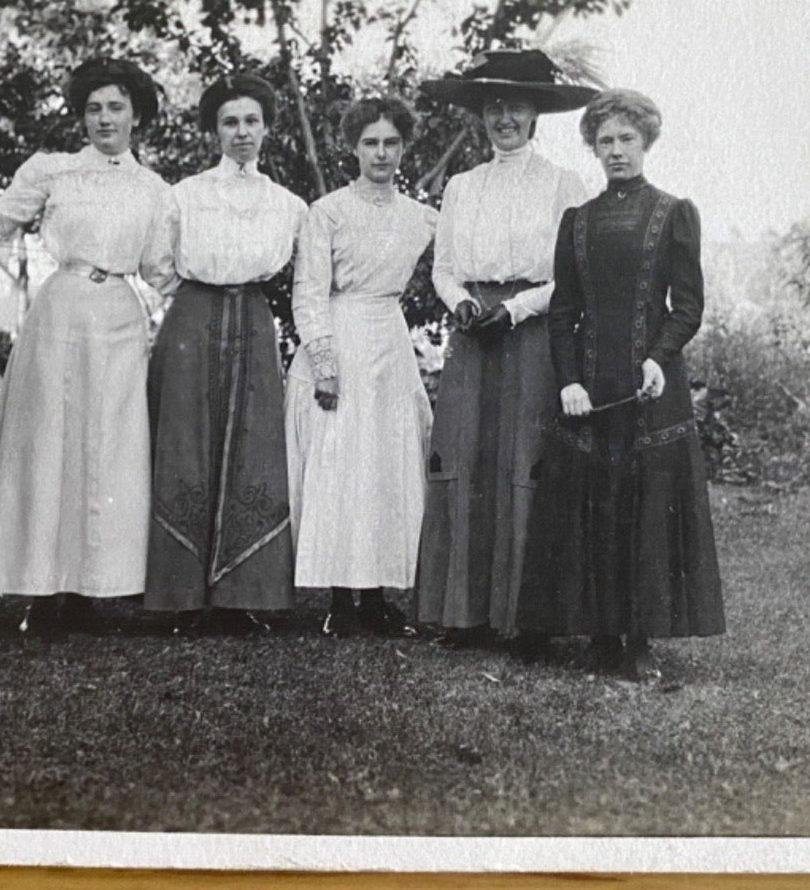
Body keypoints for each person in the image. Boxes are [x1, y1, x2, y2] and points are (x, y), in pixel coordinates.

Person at [0, 57, 177, 638]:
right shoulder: (52, 170)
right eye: (93, 108)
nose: (104, 119)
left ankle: (91, 588)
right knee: (49, 444)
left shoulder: (155, 190)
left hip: (120, 320)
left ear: (136, 116)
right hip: (59, 315)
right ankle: (41, 588)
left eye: (116, 108)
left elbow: (162, 269)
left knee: (107, 450)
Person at [515, 88, 725, 680]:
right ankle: (601, 637)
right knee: (595, 502)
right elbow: (563, 312)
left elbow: (687, 306)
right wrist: (568, 381)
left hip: (651, 383)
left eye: (626, 139)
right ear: (593, 148)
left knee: (644, 503)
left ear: (645, 142)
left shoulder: (674, 213)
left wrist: (659, 358)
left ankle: (638, 641)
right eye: (604, 140)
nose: (616, 151)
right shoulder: (578, 221)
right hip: (590, 385)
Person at [414, 49, 595, 648]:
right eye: (494, 107)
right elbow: (443, 268)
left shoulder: (563, 185)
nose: (504, 118)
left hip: (532, 331)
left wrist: (515, 309)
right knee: (466, 456)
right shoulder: (463, 187)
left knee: (525, 459)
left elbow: (571, 276)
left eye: (516, 106)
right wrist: (461, 303)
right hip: (474, 337)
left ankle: (525, 619)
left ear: (536, 113)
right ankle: (464, 614)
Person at [145, 73, 305, 634]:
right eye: (230, 122)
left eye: (252, 121)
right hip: (193, 318)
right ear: (214, 130)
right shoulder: (184, 195)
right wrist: (197, 296)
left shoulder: (288, 205)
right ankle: (182, 597)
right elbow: (156, 264)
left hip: (254, 320)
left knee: (253, 446)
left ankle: (241, 596)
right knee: (186, 442)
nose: (242, 132)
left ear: (267, 128)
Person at [285, 97, 436, 636]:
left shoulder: (422, 218)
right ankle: (339, 599)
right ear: (353, 148)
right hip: (341, 335)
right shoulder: (327, 212)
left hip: (389, 343)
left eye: (391, 143)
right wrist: (324, 363)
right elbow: (309, 291)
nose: (381, 153)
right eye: (370, 143)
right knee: (339, 462)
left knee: (384, 465)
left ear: (404, 147)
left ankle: (375, 596)